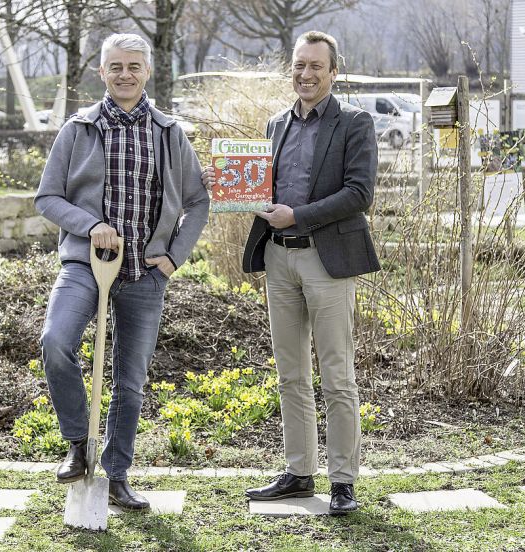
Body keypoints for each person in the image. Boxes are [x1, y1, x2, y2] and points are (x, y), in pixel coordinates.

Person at [34, 33, 209, 511]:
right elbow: (47, 197)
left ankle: (116, 476)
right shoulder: (78, 128)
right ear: (103, 72)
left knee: (129, 381)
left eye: (134, 66)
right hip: (84, 266)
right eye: (116, 67)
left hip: (145, 274)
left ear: (147, 71)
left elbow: (197, 201)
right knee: (55, 341)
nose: (125, 74)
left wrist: (174, 256)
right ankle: (77, 444)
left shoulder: (169, 132)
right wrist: (91, 225)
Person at [238, 30, 379, 515]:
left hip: (328, 260)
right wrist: (242, 192)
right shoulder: (275, 124)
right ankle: (299, 473)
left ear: (333, 72)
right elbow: (259, 183)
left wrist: (298, 216)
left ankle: (343, 481)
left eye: (316, 66)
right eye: (299, 65)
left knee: (337, 374)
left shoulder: (355, 123)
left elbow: (359, 194)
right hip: (278, 257)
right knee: (290, 373)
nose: (306, 74)